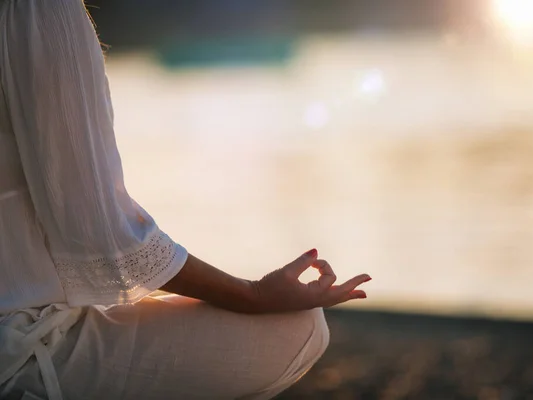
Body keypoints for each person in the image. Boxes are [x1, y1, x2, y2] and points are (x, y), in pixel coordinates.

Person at [0, 0, 371, 399]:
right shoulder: (36, 9)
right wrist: (251, 294)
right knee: (299, 329)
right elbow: (102, 238)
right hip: (18, 346)